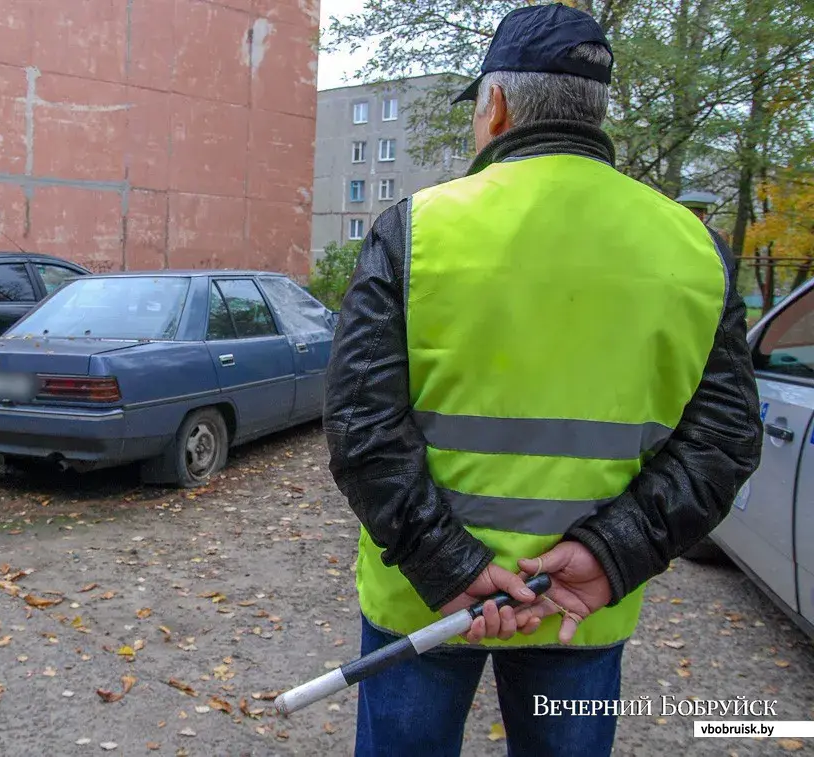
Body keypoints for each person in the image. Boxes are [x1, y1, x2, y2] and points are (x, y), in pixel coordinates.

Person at [322, 4, 763, 756]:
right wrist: (610, 552)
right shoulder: (694, 247)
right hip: (578, 605)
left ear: (495, 105)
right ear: (598, 108)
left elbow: (363, 424)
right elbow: (724, 437)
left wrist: (449, 564)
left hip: (424, 604)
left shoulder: (416, 230)